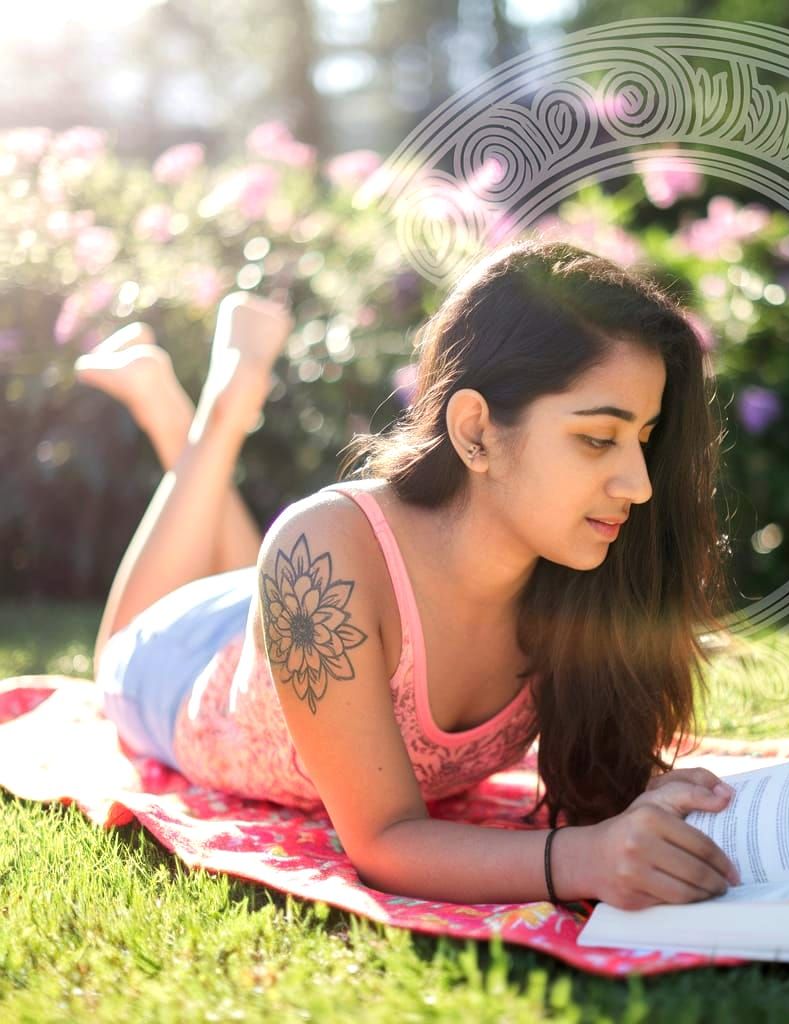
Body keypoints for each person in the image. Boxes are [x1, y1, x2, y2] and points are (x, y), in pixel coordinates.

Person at [81, 239, 741, 912]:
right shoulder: (328, 554)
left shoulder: (578, 573)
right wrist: (585, 859)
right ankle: (216, 411)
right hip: (184, 666)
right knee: (111, 654)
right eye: (599, 439)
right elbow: (385, 842)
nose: (637, 485)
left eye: (645, 440)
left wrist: (642, 797)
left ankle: (188, 419)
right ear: (476, 431)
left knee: (274, 579)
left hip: (306, 604)